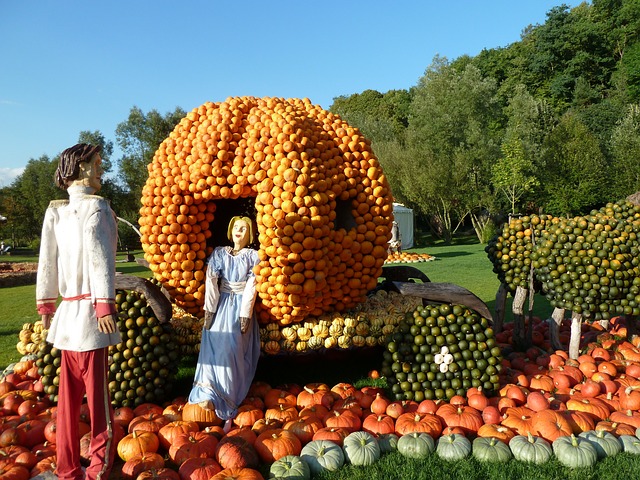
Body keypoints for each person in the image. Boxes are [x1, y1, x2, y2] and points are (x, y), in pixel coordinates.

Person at [36, 143, 120, 480]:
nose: (101, 169)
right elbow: (101, 260)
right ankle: (98, 468)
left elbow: (47, 262)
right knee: (99, 405)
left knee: (67, 405)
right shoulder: (97, 209)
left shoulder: (55, 212)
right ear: (82, 167)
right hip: (90, 320)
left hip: (66, 321)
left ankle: (67, 469)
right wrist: (104, 304)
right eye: (97, 164)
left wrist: (45, 303)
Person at [188, 215, 260, 432]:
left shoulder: (252, 256)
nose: (239, 231)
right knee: (212, 347)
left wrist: (245, 314)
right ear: (231, 230)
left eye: (244, 229)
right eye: (236, 227)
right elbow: (211, 280)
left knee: (231, 350)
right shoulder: (220, 253)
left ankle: (228, 403)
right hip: (220, 305)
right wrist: (209, 309)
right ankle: (208, 394)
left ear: (250, 235)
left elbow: (252, 285)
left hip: (239, 308)